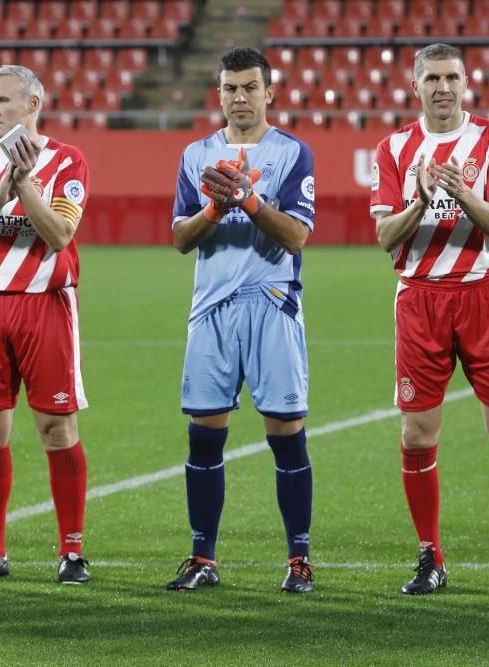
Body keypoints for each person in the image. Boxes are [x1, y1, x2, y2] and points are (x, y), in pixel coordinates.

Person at [371, 43, 489, 596]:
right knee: (417, 432)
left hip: (482, 295)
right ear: (416, 85)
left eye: (452, 77)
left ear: (465, 83)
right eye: (432, 78)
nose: (442, 87)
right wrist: (422, 201)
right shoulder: (394, 147)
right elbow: (383, 238)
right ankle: (430, 556)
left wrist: (460, 191)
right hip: (420, 300)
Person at [167, 47, 316, 593]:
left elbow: (298, 236)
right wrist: (212, 207)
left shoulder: (292, 153)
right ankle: (202, 558)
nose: (239, 98)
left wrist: (249, 201)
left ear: (269, 92)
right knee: (204, 436)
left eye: (250, 87)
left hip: (272, 302)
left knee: (285, 434)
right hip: (211, 310)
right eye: (230, 88)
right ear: (220, 93)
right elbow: (180, 239)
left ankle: (298, 560)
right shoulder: (195, 155)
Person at [0, 65, 91, 585]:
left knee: (56, 429)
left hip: (45, 304)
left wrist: (23, 182)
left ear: (33, 104)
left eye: (2, 100)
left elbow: (58, 233)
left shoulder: (67, 160)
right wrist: (1, 192)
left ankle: (72, 551)